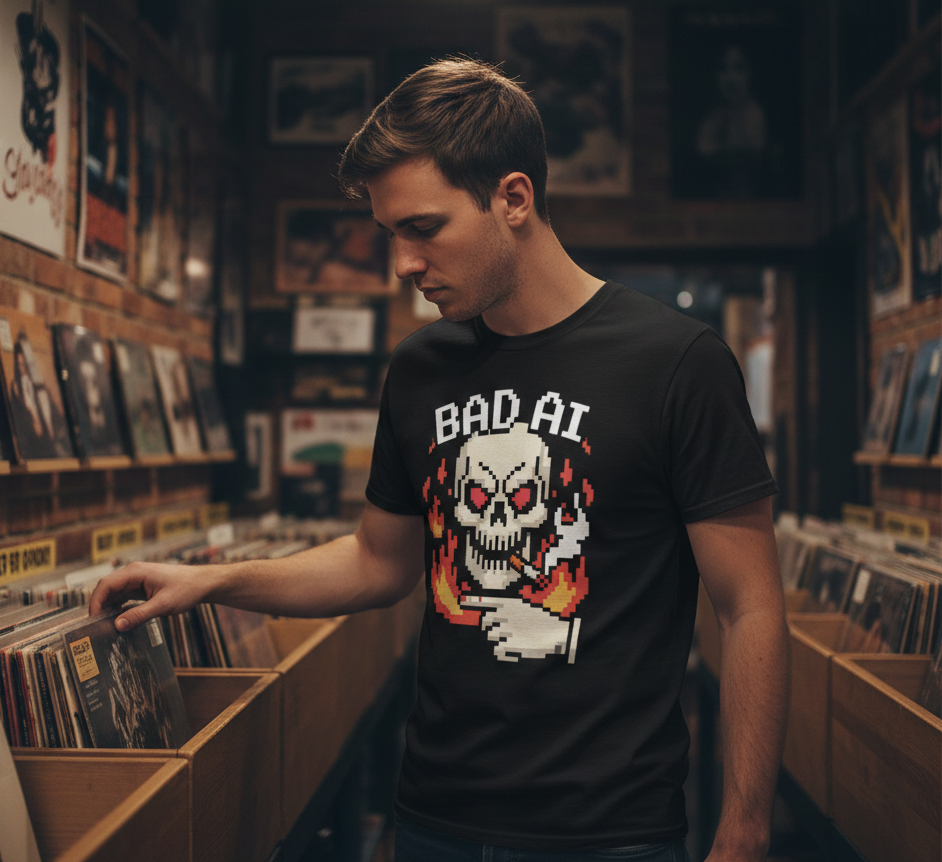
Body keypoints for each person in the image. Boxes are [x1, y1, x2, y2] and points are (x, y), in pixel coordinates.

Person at [90, 58, 789, 862]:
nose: (403, 264)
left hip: (609, 830)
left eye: (423, 228)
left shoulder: (678, 361)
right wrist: (213, 581)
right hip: (432, 817)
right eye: (391, 234)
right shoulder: (421, 368)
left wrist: (745, 826)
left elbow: (748, 606)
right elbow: (377, 561)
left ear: (513, 199)